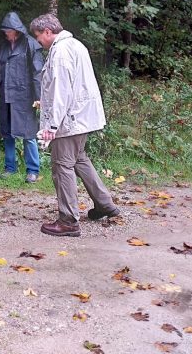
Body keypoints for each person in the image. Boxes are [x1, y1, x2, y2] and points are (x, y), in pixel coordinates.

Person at [30, 13, 120, 237]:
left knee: (62, 166)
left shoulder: (60, 52)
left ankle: (68, 220)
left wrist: (51, 126)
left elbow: (62, 90)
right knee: (80, 160)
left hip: (69, 120)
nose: (38, 41)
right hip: (81, 117)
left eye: (38, 36)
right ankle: (105, 204)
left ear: (48, 32)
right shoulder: (75, 45)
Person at [0, 11, 44, 183]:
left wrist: (39, 97)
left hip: (25, 98)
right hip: (5, 96)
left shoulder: (31, 45)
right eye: (5, 31)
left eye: (9, 30)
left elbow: (38, 73)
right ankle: (10, 168)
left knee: (28, 134)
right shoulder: (3, 47)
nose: (6, 33)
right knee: (7, 133)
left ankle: (33, 170)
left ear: (16, 29)